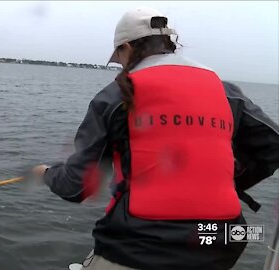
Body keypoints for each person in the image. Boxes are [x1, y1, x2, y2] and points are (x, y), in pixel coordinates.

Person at [32, 7, 279, 270]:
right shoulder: (227, 91)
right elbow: (273, 146)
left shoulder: (113, 97)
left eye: (119, 56)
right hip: (221, 243)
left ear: (127, 48)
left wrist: (46, 173)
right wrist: (227, 179)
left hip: (140, 246)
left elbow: (76, 187)